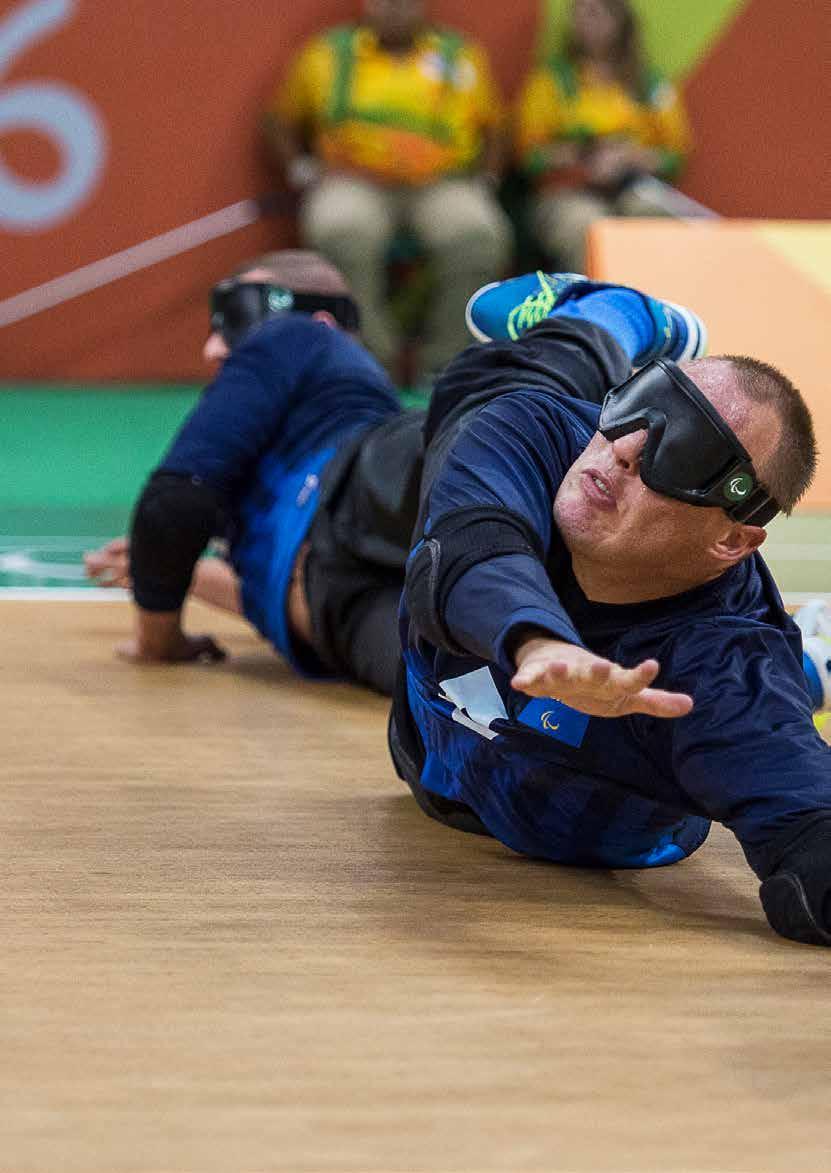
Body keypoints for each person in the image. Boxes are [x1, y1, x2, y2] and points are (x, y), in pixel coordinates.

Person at [389, 269, 831, 946]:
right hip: (431, 760)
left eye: (682, 452)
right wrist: (538, 643)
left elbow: (814, 842)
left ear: (732, 537)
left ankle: (808, 661)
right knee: (480, 389)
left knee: (768, 692)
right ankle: (614, 315)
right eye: (639, 404)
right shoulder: (538, 434)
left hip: (570, 818)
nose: (622, 448)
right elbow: (466, 550)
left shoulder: (719, 682)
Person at [86, 250, 424, 696]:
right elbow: (272, 576)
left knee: (469, 685)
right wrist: (171, 568)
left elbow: (176, 503)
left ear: (321, 323)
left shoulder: (297, 336)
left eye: (237, 318)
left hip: (334, 611)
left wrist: (158, 637)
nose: (212, 347)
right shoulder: (272, 495)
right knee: (505, 670)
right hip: (328, 590)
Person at [263, 0, 512, 379]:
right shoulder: (327, 54)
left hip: (442, 184)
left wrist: (487, 179)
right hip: (353, 182)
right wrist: (301, 169)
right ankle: (372, 363)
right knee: (340, 229)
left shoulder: (460, 55)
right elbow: (278, 119)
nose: (396, 8)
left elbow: (496, 127)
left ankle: (447, 366)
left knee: (477, 233)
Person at [513, 0, 692, 271]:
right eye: (578, 13)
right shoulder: (553, 80)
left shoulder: (647, 83)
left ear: (619, 20)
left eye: (595, 13)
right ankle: (590, 312)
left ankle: (647, 311)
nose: (584, 22)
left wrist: (631, 158)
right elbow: (528, 159)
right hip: (567, 193)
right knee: (588, 230)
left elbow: (676, 157)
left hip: (631, 187)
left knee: (654, 218)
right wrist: (582, 154)